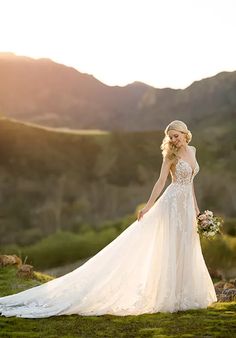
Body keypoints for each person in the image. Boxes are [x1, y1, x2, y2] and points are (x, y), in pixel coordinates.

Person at [0, 120, 217, 318]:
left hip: (186, 206)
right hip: (170, 205)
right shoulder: (170, 155)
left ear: (184, 133)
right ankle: (170, 296)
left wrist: (197, 211)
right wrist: (149, 206)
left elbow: (190, 184)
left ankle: (183, 294)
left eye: (176, 136)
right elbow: (161, 182)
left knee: (186, 246)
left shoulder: (193, 151)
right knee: (170, 248)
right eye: (170, 137)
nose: (173, 140)